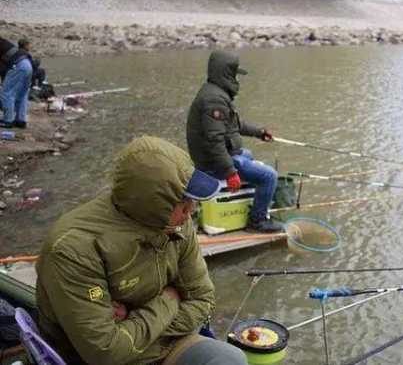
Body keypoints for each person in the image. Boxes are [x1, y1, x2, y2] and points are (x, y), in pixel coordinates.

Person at [36, 136, 247, 365]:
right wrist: (169, 298)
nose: (192, 210)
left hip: (155, 344)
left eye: (192, 201)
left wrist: (132, 322)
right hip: (93, 360)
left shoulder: (177, 225)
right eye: (184, 202)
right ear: (155, 203)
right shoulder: (74, 249)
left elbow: (202, 299)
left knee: (231, 359)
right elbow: (105, 352)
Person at [186, 50, 283, 233]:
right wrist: (230, 172)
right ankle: (258, 221)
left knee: (248, 154)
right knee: (269, 176)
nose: (236, 79)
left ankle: (254, 201)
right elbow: (214, 141)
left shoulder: (215, 93)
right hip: (211, 163)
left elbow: (235, 125)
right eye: (234, 74)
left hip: (219, 156)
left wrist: (260, 133)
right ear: (225, 73)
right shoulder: (215, 100)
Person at [0, 37, 33, 129]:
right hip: (28, 65)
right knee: (22, 94)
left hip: (18, 66)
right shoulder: (4, 42)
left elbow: (2, 70)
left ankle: (8, 121)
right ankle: (20, 121)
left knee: (6, 93)